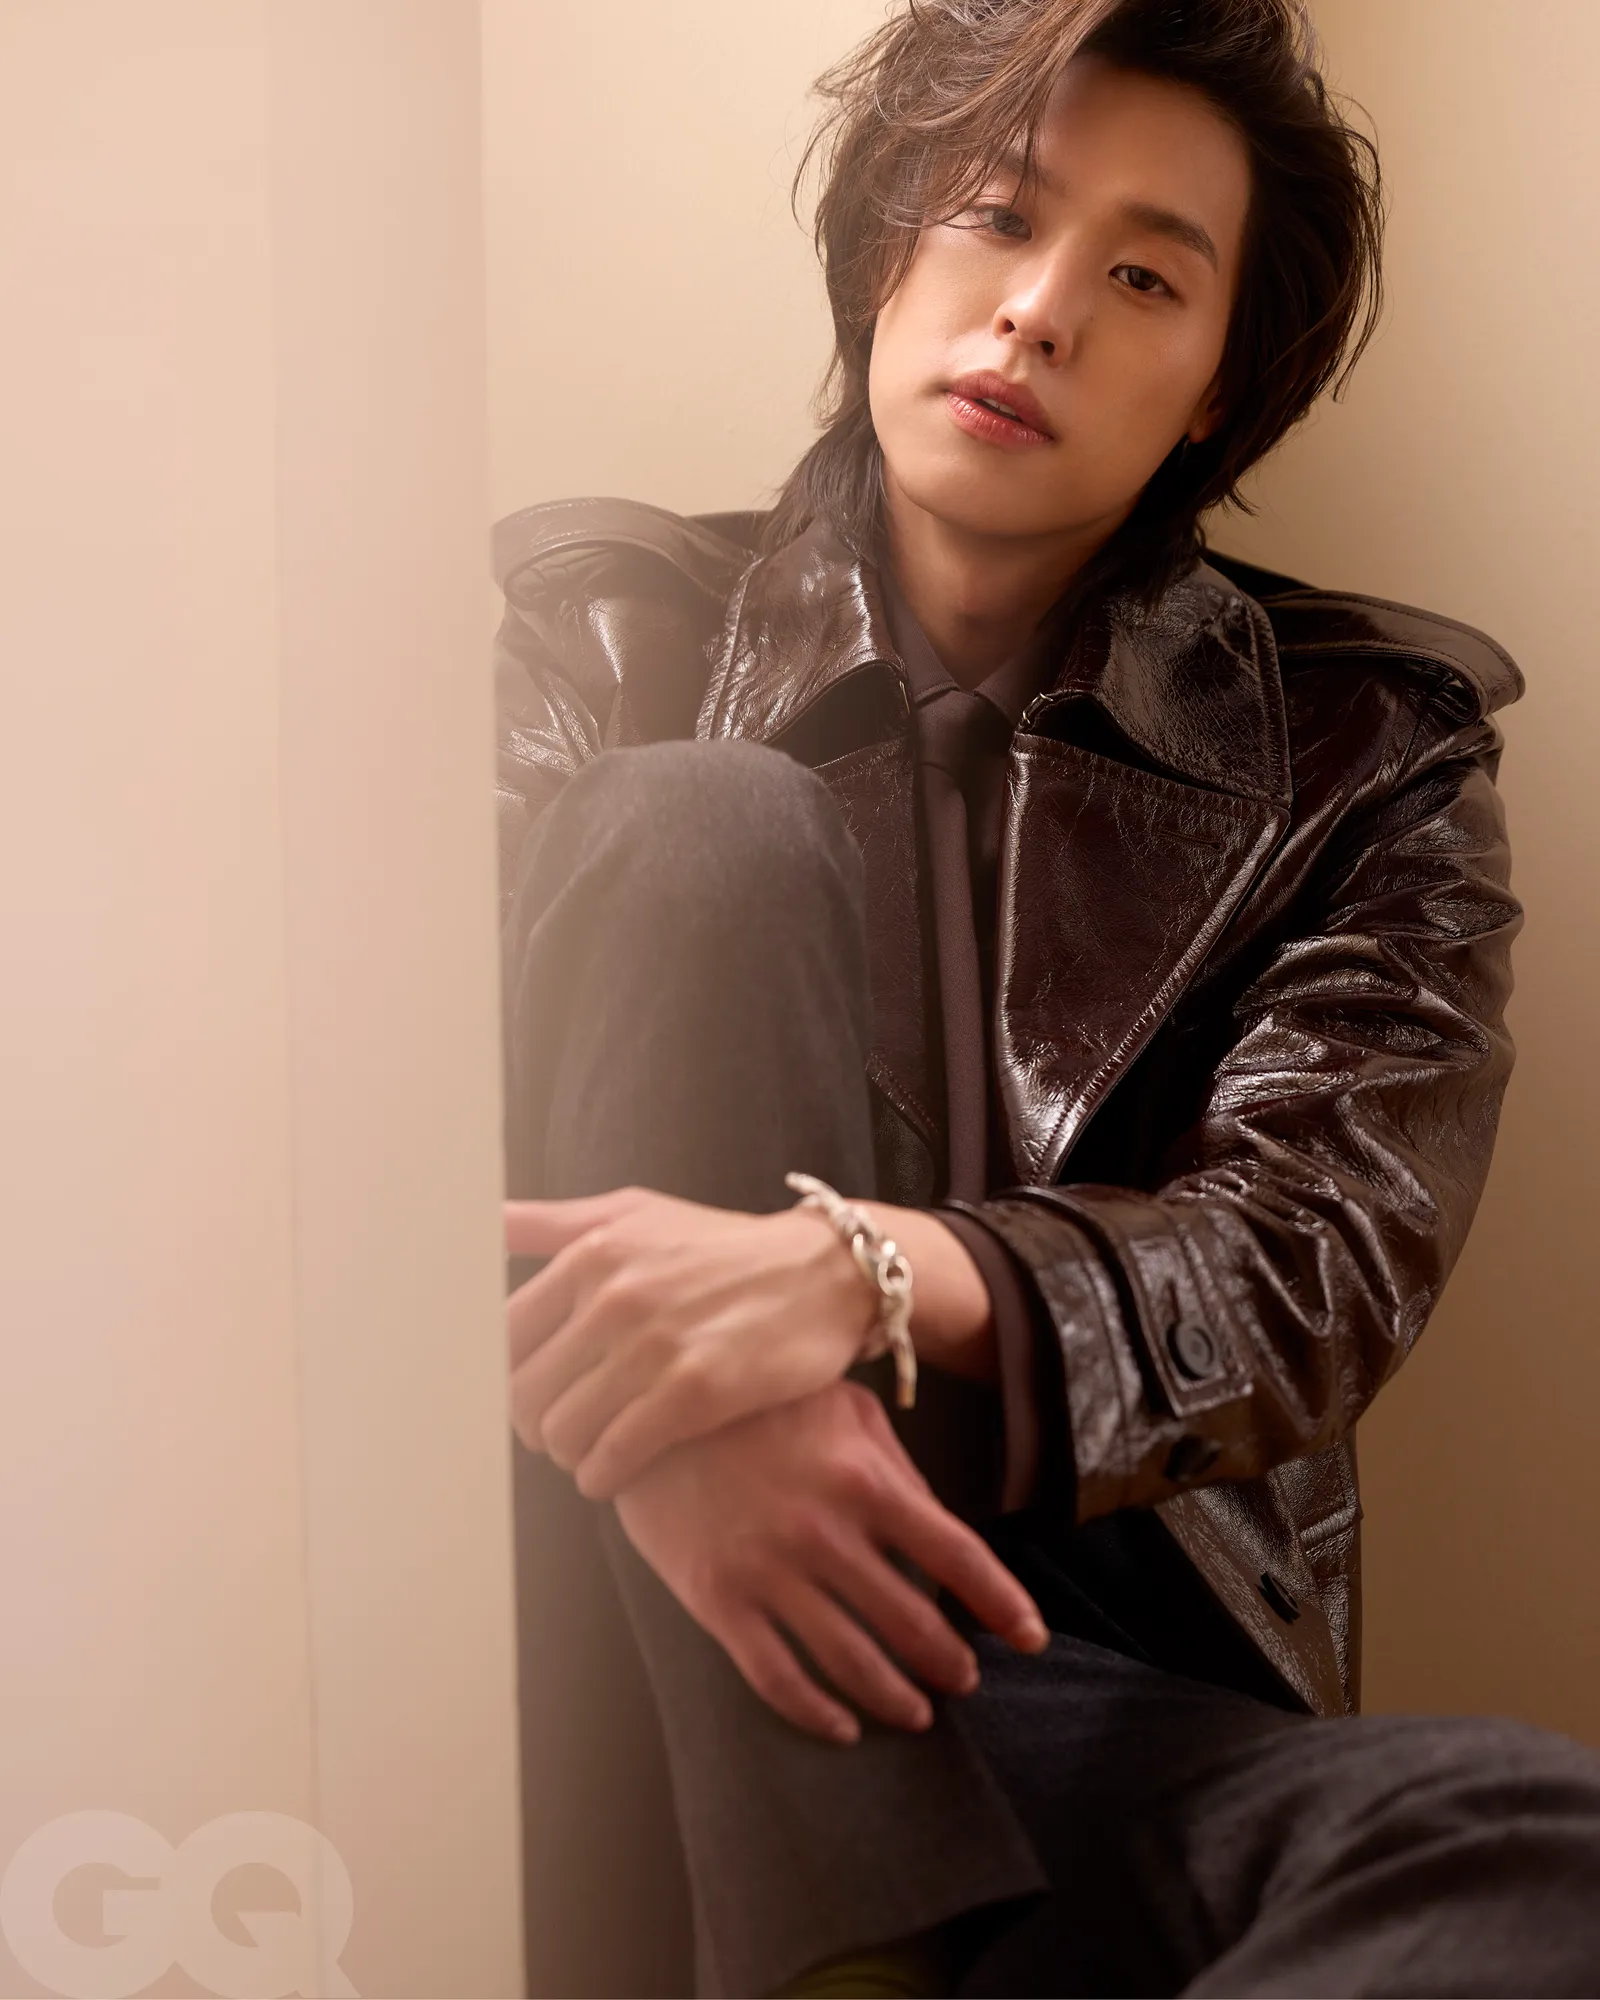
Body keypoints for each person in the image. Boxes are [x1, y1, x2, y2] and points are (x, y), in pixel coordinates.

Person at [496, 0, 1600, 1994]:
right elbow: (352, 1171)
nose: (1038, 312)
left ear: (1213, 389)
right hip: (612, 1639)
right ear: (880, 246)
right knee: (699, 824)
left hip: (1049, 1681)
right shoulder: (595, 640)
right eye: (996, 217)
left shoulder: (1370, 753)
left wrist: (865, 1276)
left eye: (1143, 277)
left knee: (1530, 1839)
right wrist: (722, 1434)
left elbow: (1311, 1260)